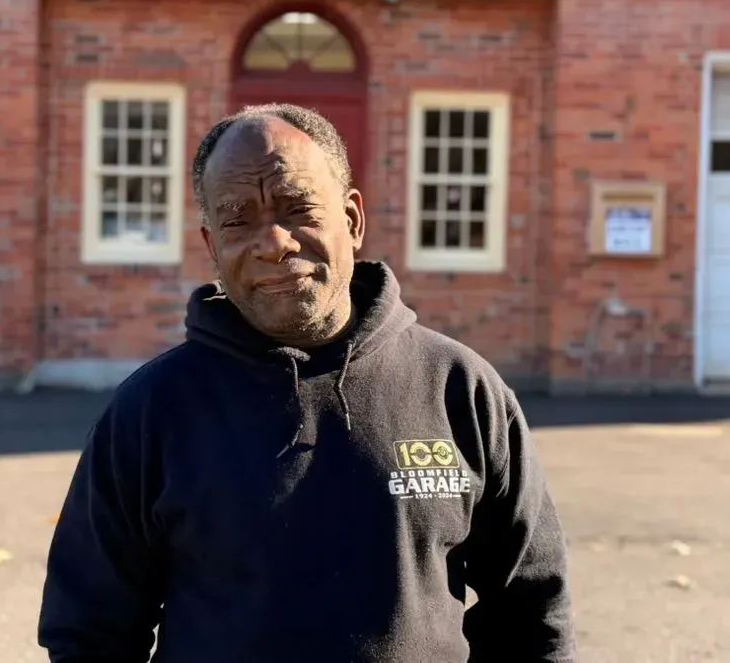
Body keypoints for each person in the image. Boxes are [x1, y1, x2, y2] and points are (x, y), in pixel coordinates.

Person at [38, 103, 576, 663]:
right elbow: (89, 632)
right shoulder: (151, 412)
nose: (272, 242)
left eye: (297, 208)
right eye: (237, 219)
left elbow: (532, 614)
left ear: (352, 219)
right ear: (211, 245)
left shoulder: (459, 389)